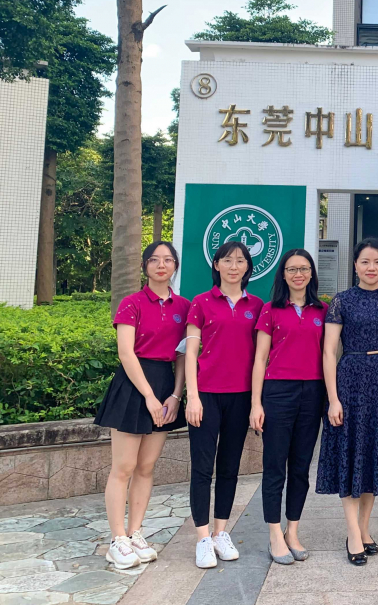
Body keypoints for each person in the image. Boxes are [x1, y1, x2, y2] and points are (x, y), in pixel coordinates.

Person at [316, 238, 378, 566]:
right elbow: (329, 351)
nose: (372, 268)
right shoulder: (341, 301)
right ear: (355, 265)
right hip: (351, 382)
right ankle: (353, 533)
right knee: (350, 452)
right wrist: (333, 399)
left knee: (374, 455)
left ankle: (365, 528)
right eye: (365, 262)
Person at [95, 242, 189, 569]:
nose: (161, 265)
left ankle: (135, 532)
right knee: (123, 467)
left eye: (168, 260)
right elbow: (126, 352)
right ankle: (117, 539)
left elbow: (182, 355)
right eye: (154, 260)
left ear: (175, 266)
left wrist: (175, 395)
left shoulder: (184, 307)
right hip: (133, 386)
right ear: (145, 266)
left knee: (146, 467)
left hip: (165, 385)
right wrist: (149, 396)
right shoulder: (131, 303)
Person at [184, 241, 264, 568]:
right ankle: (203, 538)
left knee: (229, 467)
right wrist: (192, 396)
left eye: (240, 260)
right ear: (216, 265)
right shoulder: (201, 302)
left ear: (248, 267)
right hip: (206, 395)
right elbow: (190, 352)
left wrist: (257, 401)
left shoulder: (257, 305)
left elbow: (261, 356)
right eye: (227, 260)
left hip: (241, 396)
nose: (234, 266)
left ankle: (220, 532)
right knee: (202, 468)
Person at [250, 249, 328, 565]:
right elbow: (259, 358)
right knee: (274, 466)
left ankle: (292, 530)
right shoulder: (270, 310)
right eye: (292, 269)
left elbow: (330, 354)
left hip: (313, 392)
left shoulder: (323, 310)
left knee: (300, 467)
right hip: (278, 392)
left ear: (311, 274)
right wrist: (256, 403)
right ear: (283, 274)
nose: (298, 274)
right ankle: (274, 533)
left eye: (304, 269)